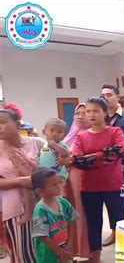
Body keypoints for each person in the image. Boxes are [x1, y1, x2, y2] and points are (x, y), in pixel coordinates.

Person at [72, 97, 124, 263]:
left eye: (96, 111)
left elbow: (119, 151)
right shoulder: (81, 136)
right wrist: (105, 155)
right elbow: (79, 161)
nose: (91, 115)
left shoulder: (115, 131)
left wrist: (92, 157)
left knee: (119, 222)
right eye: (88, 111)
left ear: (104, 112)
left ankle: (122, 257)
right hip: (89, 187)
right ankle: (96, 258)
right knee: (94, 224)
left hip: (114, 185)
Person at [0, 108, 45, 262]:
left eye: (3, 122)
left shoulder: (38, 143)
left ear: (18, 124)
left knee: (45, 251)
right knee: (24, 253)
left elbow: (55, 170)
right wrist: (19, 181)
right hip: (16, 211)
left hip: (44, 206)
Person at [100, 84, 124, 246]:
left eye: (109, 95)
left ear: (118, 97)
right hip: (108, 169)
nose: (106, 98)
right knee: (113, 203)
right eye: (103, 95)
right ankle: (116, 232)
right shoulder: (101, 119)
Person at [31, 167, 78, 263]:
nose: (58, 186)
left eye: (58, 182)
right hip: (48, 254)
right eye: (53, 185)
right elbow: (42, 236)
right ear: (40, 191)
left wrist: (70, 243)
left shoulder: (64, 203)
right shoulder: (40, 210)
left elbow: (72, 221)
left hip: (64, 248)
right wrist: (60, 252)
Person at [63, 103, 90, 259]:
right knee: (70, 212)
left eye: (84, 113)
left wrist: (69, 159)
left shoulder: (91, 134)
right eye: (77, 113)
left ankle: (86, 250)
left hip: (82, 176)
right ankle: (72, 249)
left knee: (82, 212)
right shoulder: (70, 135)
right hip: (67, 178)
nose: (80, 116)